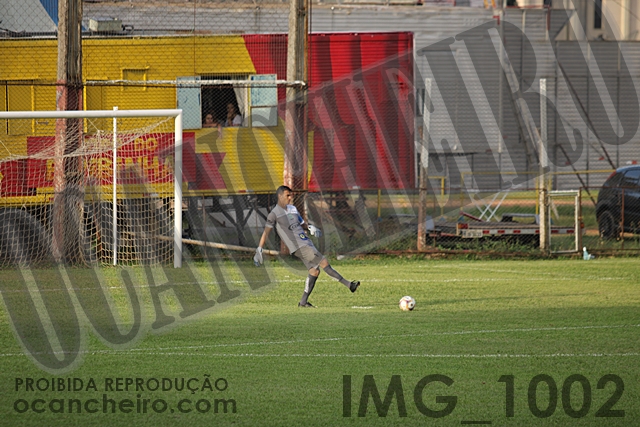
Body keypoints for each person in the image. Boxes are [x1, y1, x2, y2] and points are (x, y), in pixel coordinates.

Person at [254, 185, 360, 308]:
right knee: (324, 262)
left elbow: (302, 223)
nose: (290, 198)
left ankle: (303, 302)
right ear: (280, 196)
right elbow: (266, 233)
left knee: (314, 271)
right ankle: (349, 285)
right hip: (299, 246)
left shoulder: (293, 209)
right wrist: (259, 249)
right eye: (287, 195)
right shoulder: (274, 214)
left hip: (306, 242)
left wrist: (310, 228)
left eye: (291, 195)